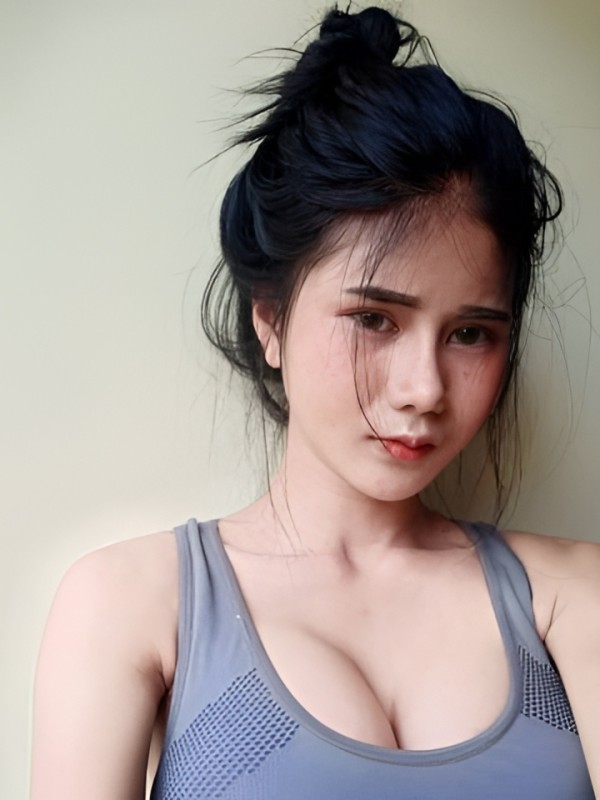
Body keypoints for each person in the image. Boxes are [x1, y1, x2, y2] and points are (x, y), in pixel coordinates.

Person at [30, 6, 599, 798]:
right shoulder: (133, 601)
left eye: (471, 333)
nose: (425, 389)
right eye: (374, 319)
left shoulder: (572, 598)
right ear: (270, 318)